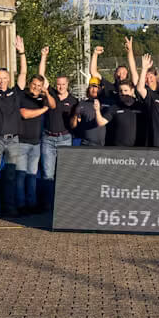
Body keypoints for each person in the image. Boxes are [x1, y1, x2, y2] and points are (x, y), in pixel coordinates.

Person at [0, 34, 28, 218]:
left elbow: (23, 73)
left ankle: (10, 207)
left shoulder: (16, 93)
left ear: (8, 78)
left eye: (4, 78)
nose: (1, 81)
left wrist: (21, 52)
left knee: (10, 176)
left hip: (13, 140)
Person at [40, 46, 76, 210]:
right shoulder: (51, 94)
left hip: (65, 138)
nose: (60, 87)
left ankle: (63, 205)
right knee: (48, 174)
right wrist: (43, 56)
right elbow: (41, 77)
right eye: (58, 84)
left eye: (63, 84)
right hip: (48, 139)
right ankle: (48, 205)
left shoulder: (74, 101)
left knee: (64, 174)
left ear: (67, 84)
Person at [17, 74, 54, 212]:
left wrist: (46, 93)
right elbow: (25, 114)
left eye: (39, 85)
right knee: (20, 175)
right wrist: (44, 109)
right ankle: (21, 205)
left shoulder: (42, 98)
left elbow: (53, 105)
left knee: (32, 175)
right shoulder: (22, 96)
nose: (36, 87)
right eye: (34, 84)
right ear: (29, 83)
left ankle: (31, 204)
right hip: (22, 142)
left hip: (36, 143)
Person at [106, 81, 145, 147]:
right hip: (119, 148)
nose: (123, 93)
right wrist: (97, 111)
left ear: (132, 91)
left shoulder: (142, 106)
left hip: (139, 148)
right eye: (121, 91)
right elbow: (102, 122)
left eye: (126, 90)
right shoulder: (114, 107)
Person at [71, 77, 108, 147]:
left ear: (100, 89)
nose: (94, 90)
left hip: (103, 146)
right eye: (91, 87)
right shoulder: (81, 104)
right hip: (85, 144)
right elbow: (73, 126)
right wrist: (75, 115)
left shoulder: (105, 104)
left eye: (96, 87)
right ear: (88, 90)